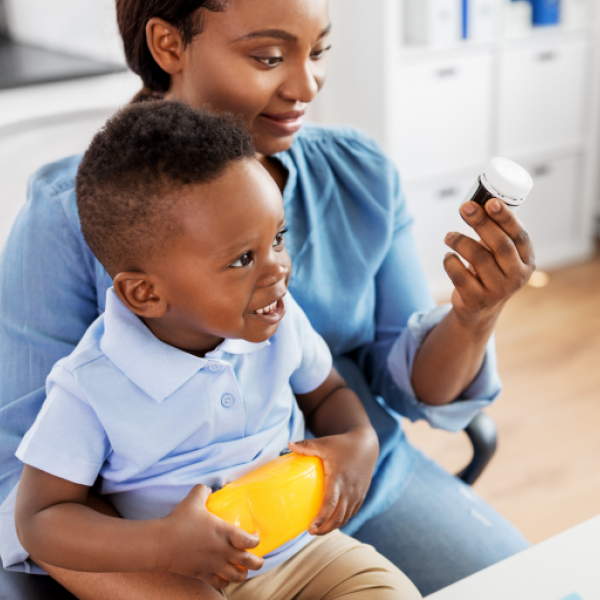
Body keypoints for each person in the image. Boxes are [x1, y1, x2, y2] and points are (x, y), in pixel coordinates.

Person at [0, 0, 534, 597]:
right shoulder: (72, 220)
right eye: (269, 56)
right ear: (168, 44)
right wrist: (158, 552)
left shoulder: (358, 173)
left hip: (345, 489)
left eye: (321, 51)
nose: (307, 85)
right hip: (168, 543)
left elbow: (402, 387)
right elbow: (26, 491)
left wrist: (473, 314)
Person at [13, 100, 421, 600]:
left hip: (306, 553)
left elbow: (327, 391)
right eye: (243, 258)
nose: (278, 269)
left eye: (279, 239)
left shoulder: (280, 320)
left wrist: (359, 440)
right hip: (183, 580)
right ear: (146, 294)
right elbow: (39, 519)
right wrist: (158, 546)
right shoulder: (91, 384)